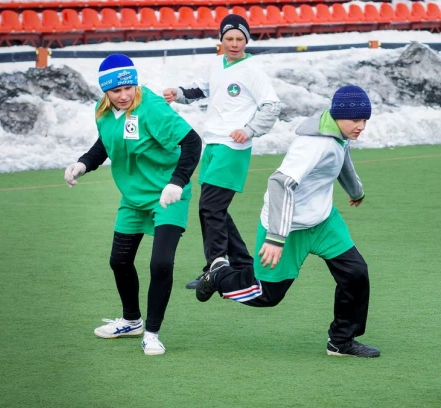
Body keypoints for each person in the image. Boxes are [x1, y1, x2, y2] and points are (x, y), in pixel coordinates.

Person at [195, 85, 380, 358]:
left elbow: (341, 160)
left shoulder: (338, 134)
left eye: (365, 120)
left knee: (355, 273)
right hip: (287, 226)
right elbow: (280, 184)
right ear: (339, 115)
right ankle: (219, 275)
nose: (361, 126)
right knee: (267, 295)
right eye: (356, 120)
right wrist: (275, 238)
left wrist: (356, 191)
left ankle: (341, 341)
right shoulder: (314, 144)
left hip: (322, 222)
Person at [64, 54, 202, 356]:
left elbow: (193, 142)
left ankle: (151, 333)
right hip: (133, 199)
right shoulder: (103, 113)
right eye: (116, 91)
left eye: (129, 87)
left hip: (168, 196)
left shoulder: (151, 107)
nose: (124, 95)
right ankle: (131, 321)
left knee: (161, 263)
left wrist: (177, 181)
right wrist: (83, 164)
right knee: (119, 262)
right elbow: (105, 143)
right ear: (105, 93)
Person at [163, 14, 281, 289]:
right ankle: (242, 264)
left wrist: (249, 129)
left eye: (240, 39)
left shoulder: (253, 71)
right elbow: (200, 90)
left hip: (233, 147)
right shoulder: (216, 65)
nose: (234, 43)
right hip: (213, 145)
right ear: (221, 40)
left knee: (210, 207)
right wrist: (177, 93)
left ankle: (215, 267)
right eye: (229, 38)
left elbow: (272, 106)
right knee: (215, 209)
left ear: (247, 40)